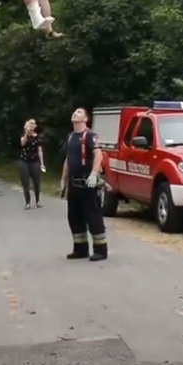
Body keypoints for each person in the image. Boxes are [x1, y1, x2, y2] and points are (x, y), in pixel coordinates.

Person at [61, 108, 107, 261]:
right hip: (74, 184)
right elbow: (68, 159)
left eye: (79, 112)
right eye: (74, 112)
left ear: (86, 118)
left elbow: (98, 154)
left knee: (93, 216)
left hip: (88, 183)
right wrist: (63, 180)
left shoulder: (90, 135)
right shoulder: (70, 137)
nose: (75, 113)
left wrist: (94, 174)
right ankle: (80, 249)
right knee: (74, 217)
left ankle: (100, 250)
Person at [18, 119, 46, 209]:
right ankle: (27, 202)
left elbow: (40, 151)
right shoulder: (23, 135)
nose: (32, 125)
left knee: (36, 182)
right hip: (24, 161)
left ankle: (38, 200)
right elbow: (22, 143)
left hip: (34, 161)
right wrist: (26, 133)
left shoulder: (37, 137)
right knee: (25, 182)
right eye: (30, 123)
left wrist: (42, 163)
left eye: (34, 124)